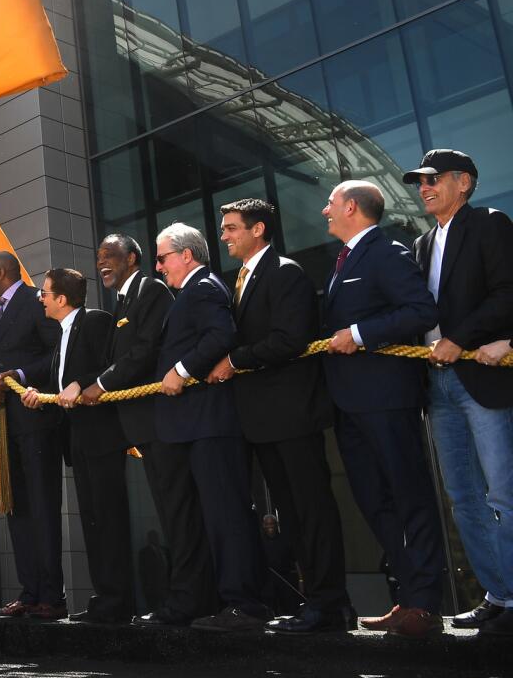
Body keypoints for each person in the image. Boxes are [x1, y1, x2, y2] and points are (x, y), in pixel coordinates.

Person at [209, 198, 354, 633]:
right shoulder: (239, 279)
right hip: (263, 420)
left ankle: (330, 605)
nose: (225, 235)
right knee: (293, 515)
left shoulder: (286, 273)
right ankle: (320, 603)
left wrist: (234, 361)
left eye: (232, 228)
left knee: (312, 511)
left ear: (258, 230)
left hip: (293, 414)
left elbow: (290, 339)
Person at [321, 179, 443, 639]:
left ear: (352, 207)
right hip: (350, 404)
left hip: (387, 400)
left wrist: (359, 333)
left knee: (409, 498)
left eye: (331, 203)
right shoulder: (345, 259)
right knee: (375, 502)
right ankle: (408, 597)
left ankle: (426, 603)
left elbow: (420, 311)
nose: (323, 210)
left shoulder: (386, 251)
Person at [405, 150, 513, 636]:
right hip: (438, 384)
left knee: (504, 495)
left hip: (481, 378)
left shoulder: (490, 223)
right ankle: (500, 594)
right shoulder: (422, 243)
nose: (424, 188)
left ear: (463, 183)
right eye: (420, 182)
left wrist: (462, 339)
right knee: (463, 498)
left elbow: (507, 291)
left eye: (433, 179)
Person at [82, 234, 213, 626]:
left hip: (161, 421)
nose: (102, 261)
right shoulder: (124, 298)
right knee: (169, 511)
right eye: (99, 255)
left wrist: (101, 384)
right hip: (140, 425)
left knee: (179, 512)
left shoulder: (151, 290)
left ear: (133, 258)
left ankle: (190, 601)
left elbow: (144, 351)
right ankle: (184, 599)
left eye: (111, 255)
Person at [152, 223, 271, 632]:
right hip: (191, 425)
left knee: (226, 515)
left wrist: (181, 370)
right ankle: (208, 601)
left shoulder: (204, 287)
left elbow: (222, 334)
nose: (158, 265)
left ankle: (245, 604)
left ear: (187, 255)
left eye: (163, 256)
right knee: (202, 519)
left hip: (211, 424)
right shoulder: (190, 291)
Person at [21, 267, 132, 623]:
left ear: (62, 299)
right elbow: (63, 384)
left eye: (45, 292)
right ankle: (105, 601)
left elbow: (110, 366)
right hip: (78, 440)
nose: (41, 297)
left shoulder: (97, 322)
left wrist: (81, 382)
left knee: (109, 520)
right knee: (93, 521)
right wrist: (43, 394)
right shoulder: (62, 334)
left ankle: (118, 602)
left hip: (102, 437)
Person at [0, 250, 60, 618]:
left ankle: (52, 597)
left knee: (41, 506)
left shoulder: (38, 300)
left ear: (2, 272)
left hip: (36, 422)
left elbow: (57, 354)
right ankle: (29, 592)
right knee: (16, 508)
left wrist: (19, 376)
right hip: (1, 425)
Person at [260, 515, 303, 616]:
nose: (270, 526)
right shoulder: (260, 542)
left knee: (289, 608)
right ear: (263, 526)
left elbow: (296, 561)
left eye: (272, 524)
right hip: (268, 580)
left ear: (276, 525)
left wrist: (301, 580)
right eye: (267, 524)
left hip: (285, 578)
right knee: (270, 608)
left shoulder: (285, 540)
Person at [137, 530, 170, 613]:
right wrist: (146, 585)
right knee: (153, 607)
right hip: (152, 586)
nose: (155, 539)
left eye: (156, 536)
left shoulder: (165, 550)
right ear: (149, 539)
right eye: (152, 537)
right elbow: (143, 571)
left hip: (166, 584)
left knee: (167, 605)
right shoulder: (144, 553)